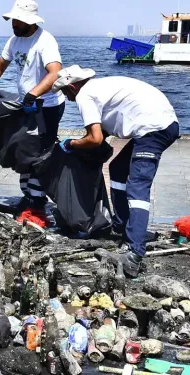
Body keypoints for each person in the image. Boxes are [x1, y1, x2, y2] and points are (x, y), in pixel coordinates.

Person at [51, 65, 180, 278]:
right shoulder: (100, 87)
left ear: (72, 86)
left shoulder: (85, 95)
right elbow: (101, 131)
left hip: (153, 129)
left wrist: (72, 144)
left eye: (65, 92)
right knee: (117, 168)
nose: (67, 97)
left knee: (138, 186)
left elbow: (95, 139)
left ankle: (134, 252)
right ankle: (122, 226)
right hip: (161, 124)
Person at [0, 0, 65, 227]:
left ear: (29, 21)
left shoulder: (45, 41)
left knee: (37, 155)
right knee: (21, 151)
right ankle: (30, 196)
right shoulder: (14, 40)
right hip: (27, 103)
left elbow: (55, 73)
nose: (13, 24)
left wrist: (34, 93)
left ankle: (37, 204)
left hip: (47, 105)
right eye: (12, 20)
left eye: (17, 20)